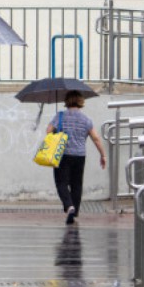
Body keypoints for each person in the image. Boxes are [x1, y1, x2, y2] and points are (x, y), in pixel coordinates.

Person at [46, 90, 106, 225]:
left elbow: (48, 131)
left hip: (62, 154)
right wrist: (103, 155)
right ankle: (75, 211)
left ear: (67, 101)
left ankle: (69, 206)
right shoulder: (86, 119)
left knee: (61, 182)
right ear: (80, 101)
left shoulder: (60, 116)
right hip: (79, 155)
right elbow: (96, 138)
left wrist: (59, 129)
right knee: (76, 184)